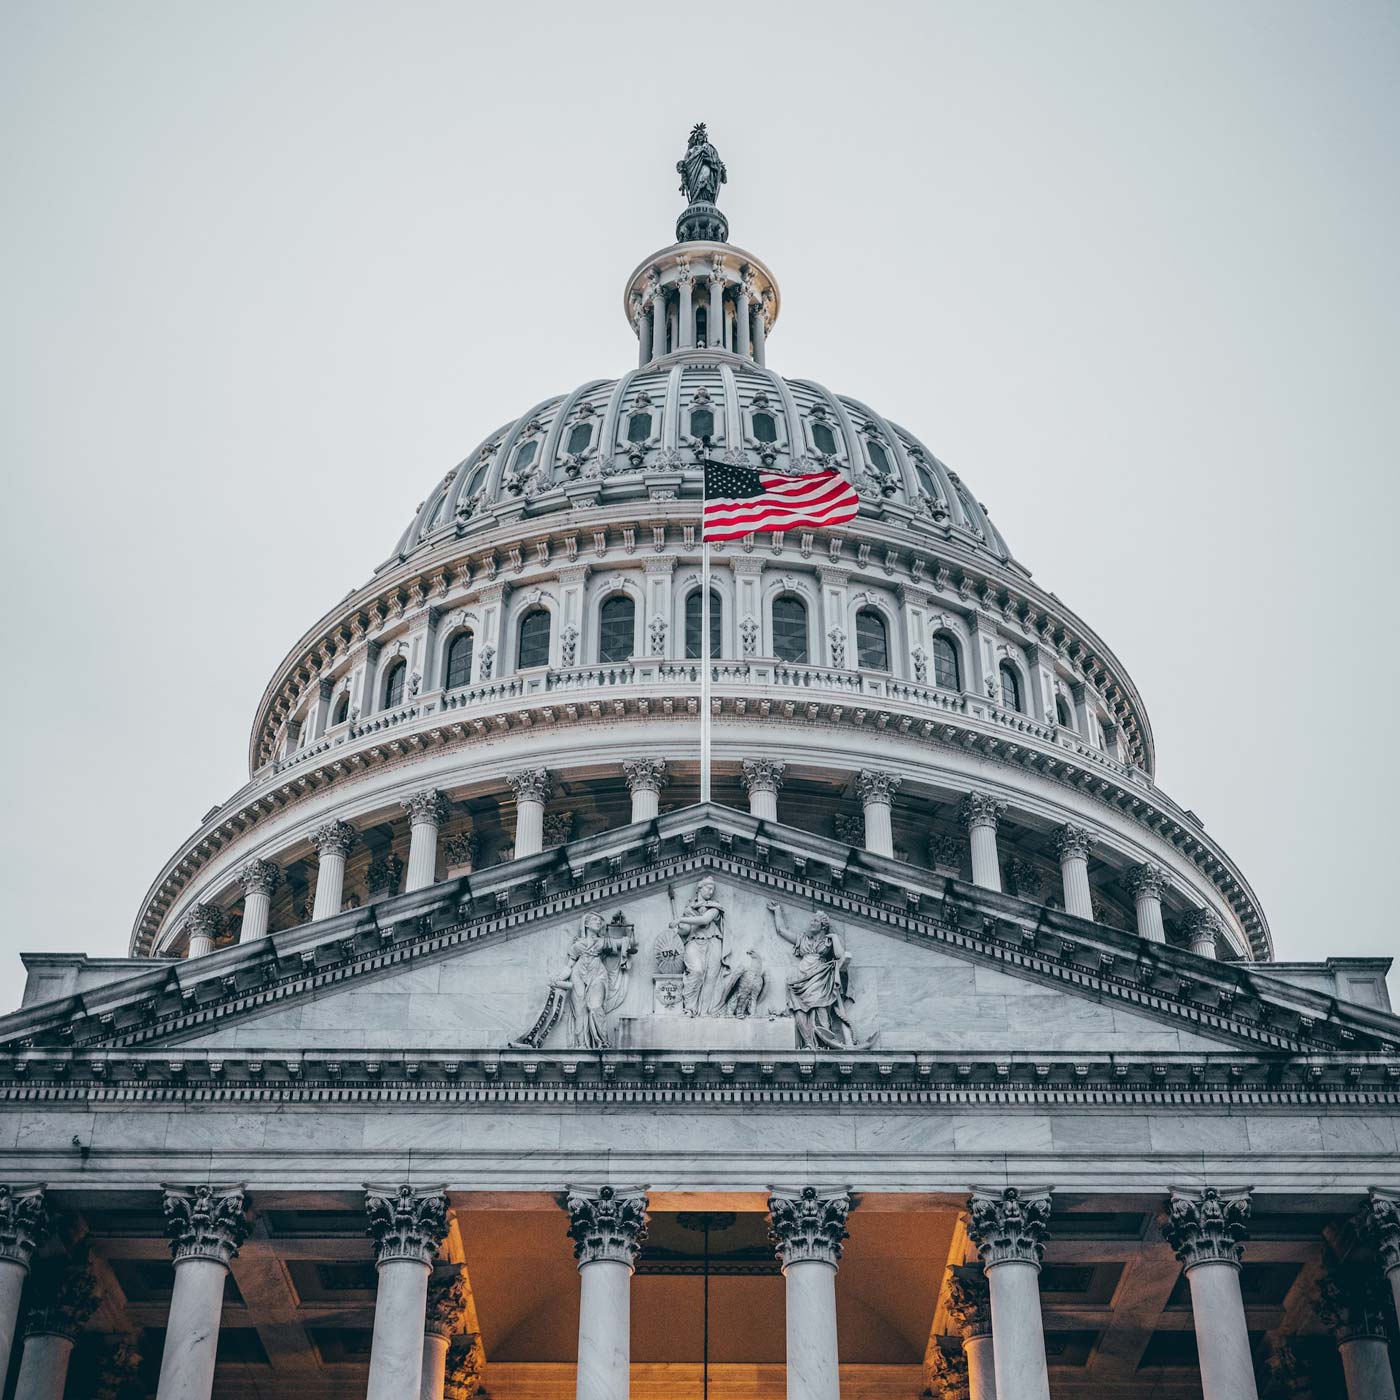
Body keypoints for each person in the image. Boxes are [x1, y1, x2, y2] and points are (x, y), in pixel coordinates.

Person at [765, 902, 861, 1050]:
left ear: (823, 925)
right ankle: (809, 1043)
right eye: (812, 920)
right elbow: (781, 930)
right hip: (800, 979)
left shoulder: (828, 941)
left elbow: (840, 956)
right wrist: (777, 911)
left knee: (821, 1009)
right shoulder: (803, 939)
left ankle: (826, 1043)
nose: (811, 923)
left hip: (820, 977)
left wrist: (835, 937)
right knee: (799, 1012)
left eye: (815, 920)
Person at [554, 912, 634, 1049]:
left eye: (600, 921)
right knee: (579, 1010)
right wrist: (557, 979)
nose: (599, 923)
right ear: (586, 924)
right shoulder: (578, 945)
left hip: (598, 974)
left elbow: (626, 942)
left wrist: (627, 931)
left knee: (595, 1006)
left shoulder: (604, 942)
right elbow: (569, 966)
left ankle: (602, 1041)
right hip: (578, 974)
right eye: (595, 920)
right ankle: (581, 1045)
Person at [669, 877, 729, 1016]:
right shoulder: (689, 908)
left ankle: (705, 1012)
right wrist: (676, 930)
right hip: (694, 941)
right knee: (696, 970)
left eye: (712, 889)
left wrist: (680, 919)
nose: (711, 891)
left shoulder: (715, 907)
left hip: (713, 941)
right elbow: (687, 930)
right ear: (700, 888)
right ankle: (690, 1008)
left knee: (710, 977)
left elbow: (704, 920)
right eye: (708, 888)